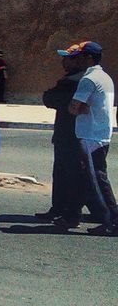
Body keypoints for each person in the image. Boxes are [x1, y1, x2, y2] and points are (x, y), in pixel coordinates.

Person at [63, 41, 117, 235]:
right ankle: (71, 215)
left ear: (88, 58)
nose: (76, 61)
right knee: (84, 177)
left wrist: (77, 107)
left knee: (97, 179)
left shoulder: (89, 80)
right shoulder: (105, 77)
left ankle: (113, 220)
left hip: (90, 137)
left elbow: (73, 107)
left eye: (80, 57)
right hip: (99, 134)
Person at [42, 49, 86, 225]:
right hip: (66, 133)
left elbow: (51, 99)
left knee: (69, 174)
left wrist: (50, 94)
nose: (64, 62)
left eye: (68, 59)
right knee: (61, 173)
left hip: (70, 134)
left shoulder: (73, 81)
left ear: (77, 61)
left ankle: (70, 212)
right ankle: (59, 208)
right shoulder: (73, 79)